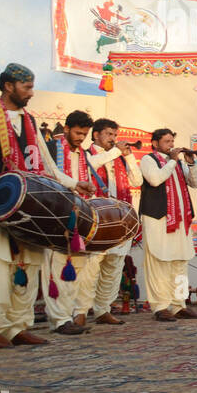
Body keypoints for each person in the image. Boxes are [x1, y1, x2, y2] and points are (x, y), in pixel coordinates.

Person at [0, 64, 94, 349]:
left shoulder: (31, 122)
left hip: (30, 206)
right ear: (9, 86)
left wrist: (73, 184)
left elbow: (46, 163)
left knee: (29, 266)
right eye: (27, 87)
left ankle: (18, 327)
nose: (31, 93)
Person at [77, 118, 142, 327]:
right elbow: (91, 166)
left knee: (114, 266)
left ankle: (103, 309)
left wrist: (129, 156)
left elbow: (137, 181)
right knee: (91, 268)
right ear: (96, 135)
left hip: (120, 220)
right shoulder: (86, 155)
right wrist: (116, 151)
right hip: (98, 221)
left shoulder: (119, 158)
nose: (113, 139)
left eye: (115, 135)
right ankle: (80, 311)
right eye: (109, 135)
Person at [138, 128, 197, 322]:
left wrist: (190, 165)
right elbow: (155, 179)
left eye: (172, 141)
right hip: (158, 220)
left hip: (180, 221)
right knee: (159, 262)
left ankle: (179, 304)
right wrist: (173, 160)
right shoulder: (148, 160)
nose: (171, 145)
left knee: (180, 262)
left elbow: (195, 183)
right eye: (167, 142)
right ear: (155, 143)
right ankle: (161, 306)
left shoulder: (178, 162)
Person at [43, 110, 98, 335]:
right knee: (56, 267)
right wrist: (76, 184)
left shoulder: (83, 154)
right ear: (66, 129)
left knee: (75, 268)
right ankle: (59, 319)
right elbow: (50, 174)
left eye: (84, 134)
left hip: (77, 217)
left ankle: (69, 315)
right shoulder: (52, 147)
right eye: (77, 133)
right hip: (55, 213)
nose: (81, 138)